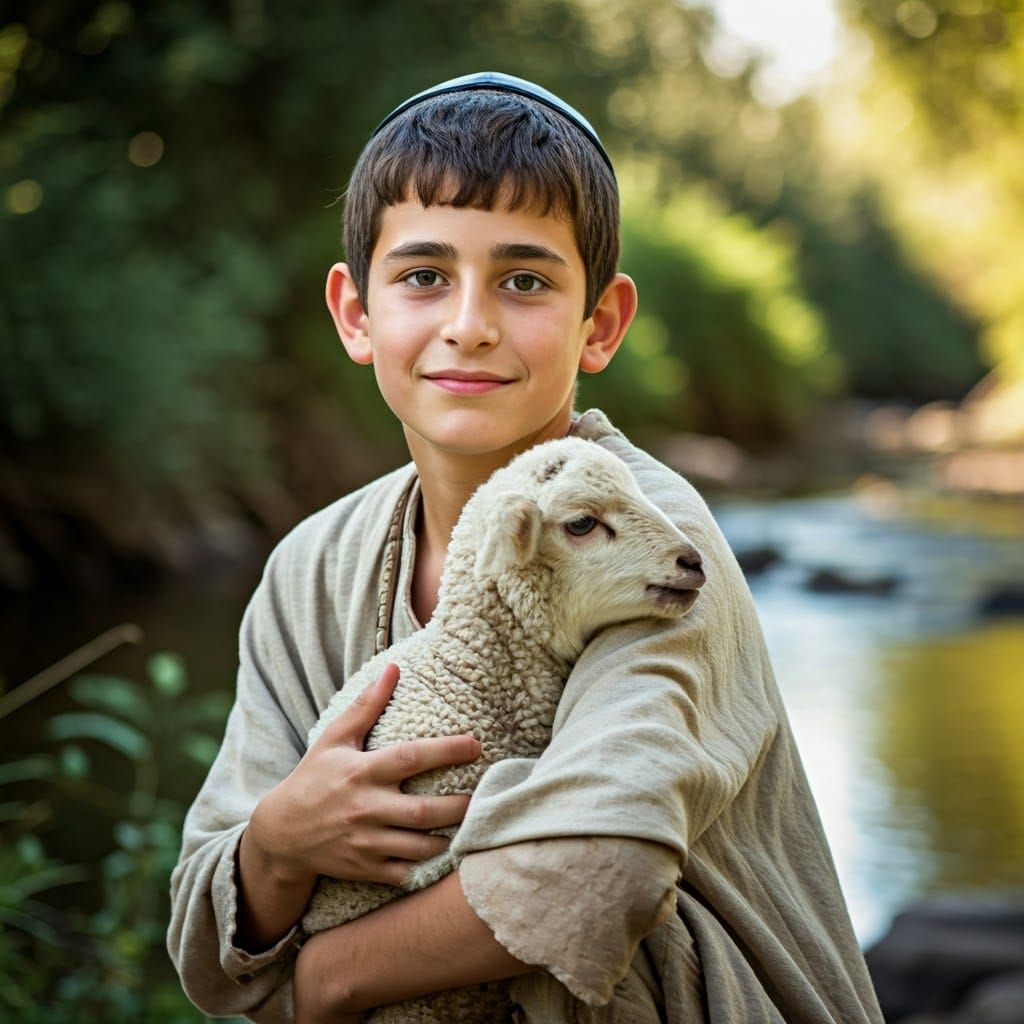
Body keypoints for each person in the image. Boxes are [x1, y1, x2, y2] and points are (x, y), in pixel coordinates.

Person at [167, 72, 884, 1023]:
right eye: (424, 276)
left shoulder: (654, 539)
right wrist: (277, 845)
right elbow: (208, 947)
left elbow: (602, 859)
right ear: (355, 314)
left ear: (602, 325)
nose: (469, 324)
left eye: (525, 280)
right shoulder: (311, 566)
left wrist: (332, 979)